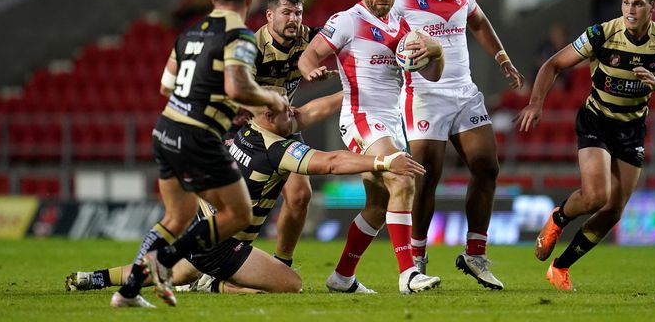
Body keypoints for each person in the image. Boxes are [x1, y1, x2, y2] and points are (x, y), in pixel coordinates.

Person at [67, 89, 425, 296]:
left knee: (171, 272)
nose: (294, 113)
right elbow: (330, 162)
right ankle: (218, 287)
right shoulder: (276, 149)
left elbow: (315, 112)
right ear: (271, 116)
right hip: (224, 246)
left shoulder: (246, 134)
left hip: (204, 228)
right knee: (290, 285)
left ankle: (93, 278)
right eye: (287, 109)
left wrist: (356, 89)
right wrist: (381, 163)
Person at [110, 0, 289, 308]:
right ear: (248, 0)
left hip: (165, 130)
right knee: (237, 213)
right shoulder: (240, 35)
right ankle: (164, 261)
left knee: (177, 216)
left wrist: (218, 101)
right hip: (197, 137)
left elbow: (166, 85)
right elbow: (237, 85)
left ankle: (129, 291)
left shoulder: (189, 34)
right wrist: (271, 98)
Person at [514, 0, 655, 291]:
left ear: (653, 6)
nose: (630, 10)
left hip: (631, 130)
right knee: (597, 196)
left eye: (638, 4)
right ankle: (559, 218)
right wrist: (536, 103)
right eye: (626, 3)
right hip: (597, 120)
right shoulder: (602, 34)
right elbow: (553, 64)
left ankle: (561, 267)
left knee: (612, 212)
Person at [299, 0, 445, 294]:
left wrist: (435, 52)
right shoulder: (347, 21)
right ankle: (408, 274)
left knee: (379, 206)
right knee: (401, 177)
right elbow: (309, 56)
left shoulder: (403, 27)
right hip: (361, 118)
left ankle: (342, 277)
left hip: (393, 123)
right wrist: (310, 71)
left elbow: (433, 73)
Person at [393, 0, 524, 291]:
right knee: (427, 176)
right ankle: (416, 260)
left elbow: (478, 22)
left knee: (487, 166)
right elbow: (381, 30)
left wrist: (502, 58)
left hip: (464, 92)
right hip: (424, 94)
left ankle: (475, 254)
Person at [251, 0, 316, 269]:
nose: (294, 19)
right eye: (286, 12)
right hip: (246, 129)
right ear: (269, 16)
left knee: (300, 194)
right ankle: (201, 262)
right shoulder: (251, 48)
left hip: (285, 127)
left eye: (298, 13)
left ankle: (282, 263)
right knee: (236, 204)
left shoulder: (308, 39)